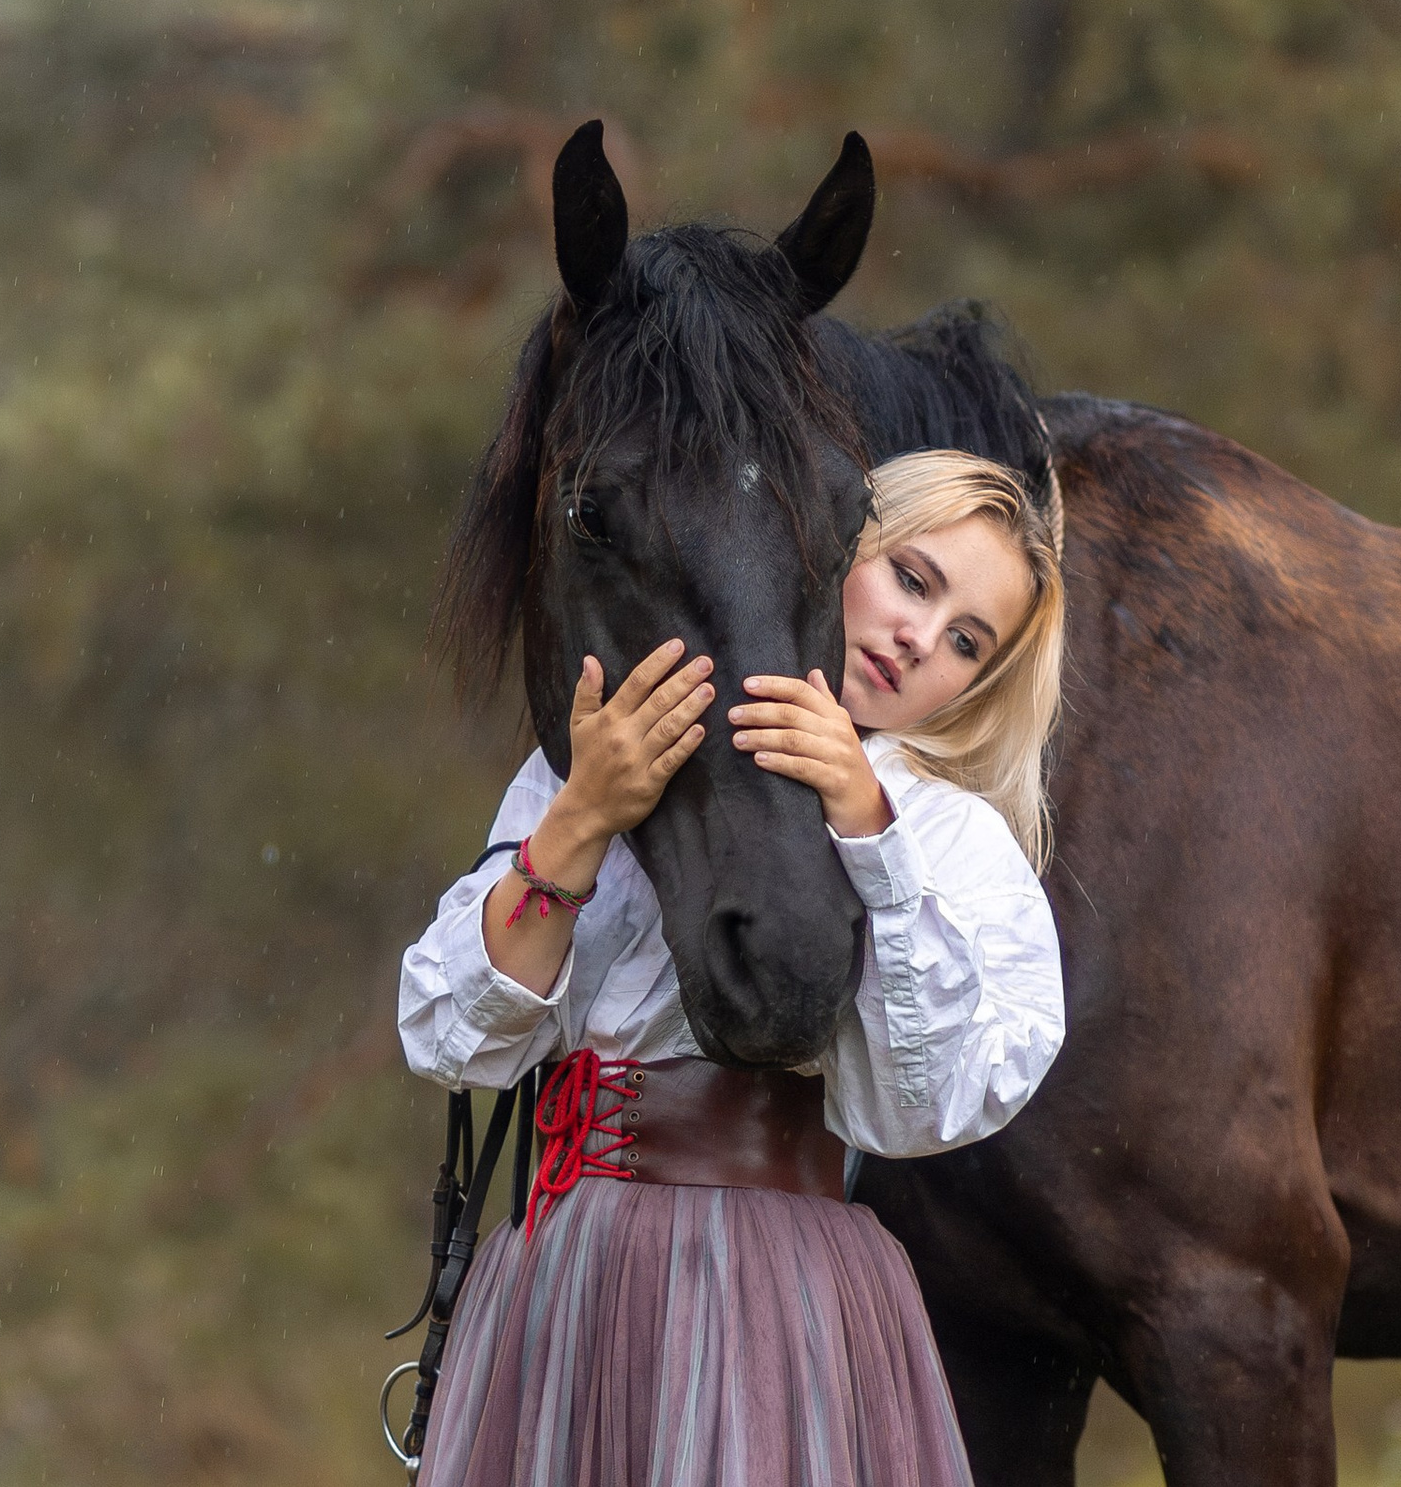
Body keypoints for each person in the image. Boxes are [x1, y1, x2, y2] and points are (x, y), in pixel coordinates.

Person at [398, 448, 1068, 1487]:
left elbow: (930, 1103)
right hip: (557, 1278)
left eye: (964, 641)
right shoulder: (625, 741)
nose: (917, 638)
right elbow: (452, 1038)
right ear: (831, 546)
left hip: (763, 1283)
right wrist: (580, 815)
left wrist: (866, 832)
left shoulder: (942, 837)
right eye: (912, 579)